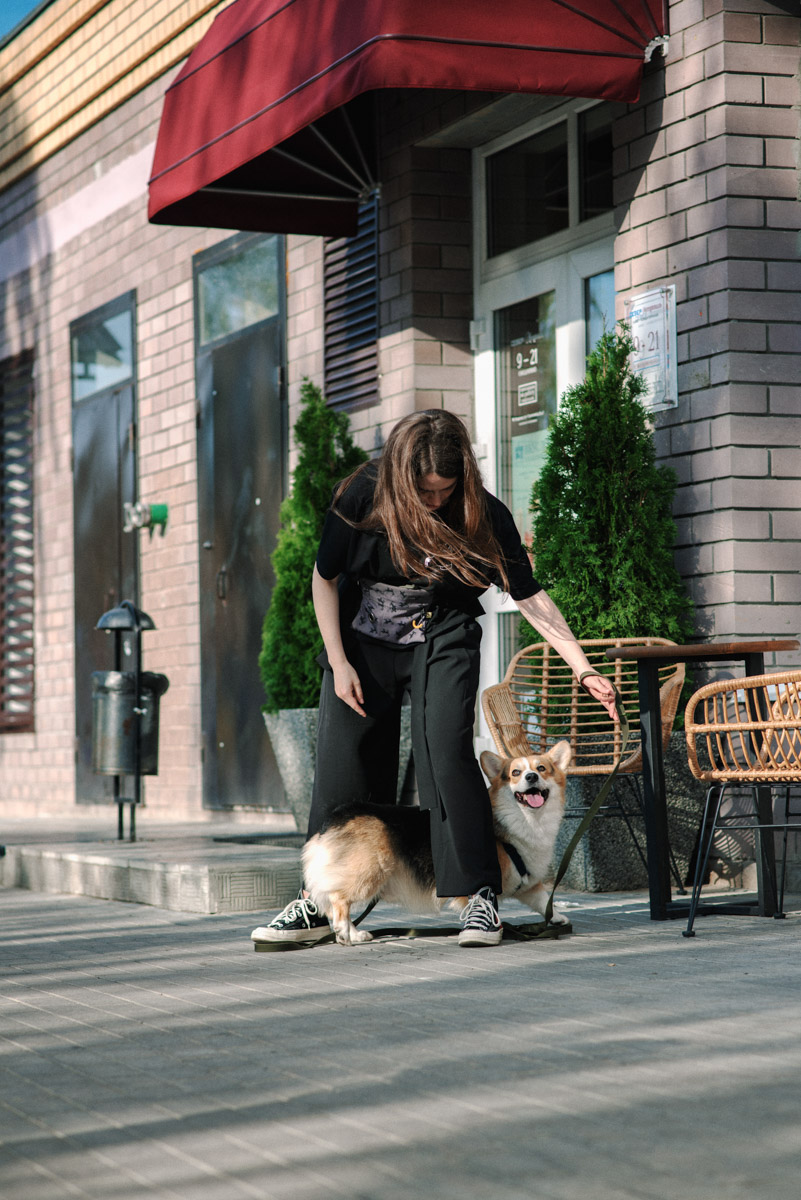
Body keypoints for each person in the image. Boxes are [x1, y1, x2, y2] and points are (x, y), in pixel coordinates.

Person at [251, 409, 616, 948]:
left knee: (446, 750)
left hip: (441, 630)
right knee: (343, 763)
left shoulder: (482, 513)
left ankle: (480, 897)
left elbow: (527, 594)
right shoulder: (362, 495)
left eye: (446, 490)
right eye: (424, 491)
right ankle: (319, 901)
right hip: (361, 635)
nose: (435, 501)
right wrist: (340, 661)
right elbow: (323, 578)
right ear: (400, 476)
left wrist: (581, 665)